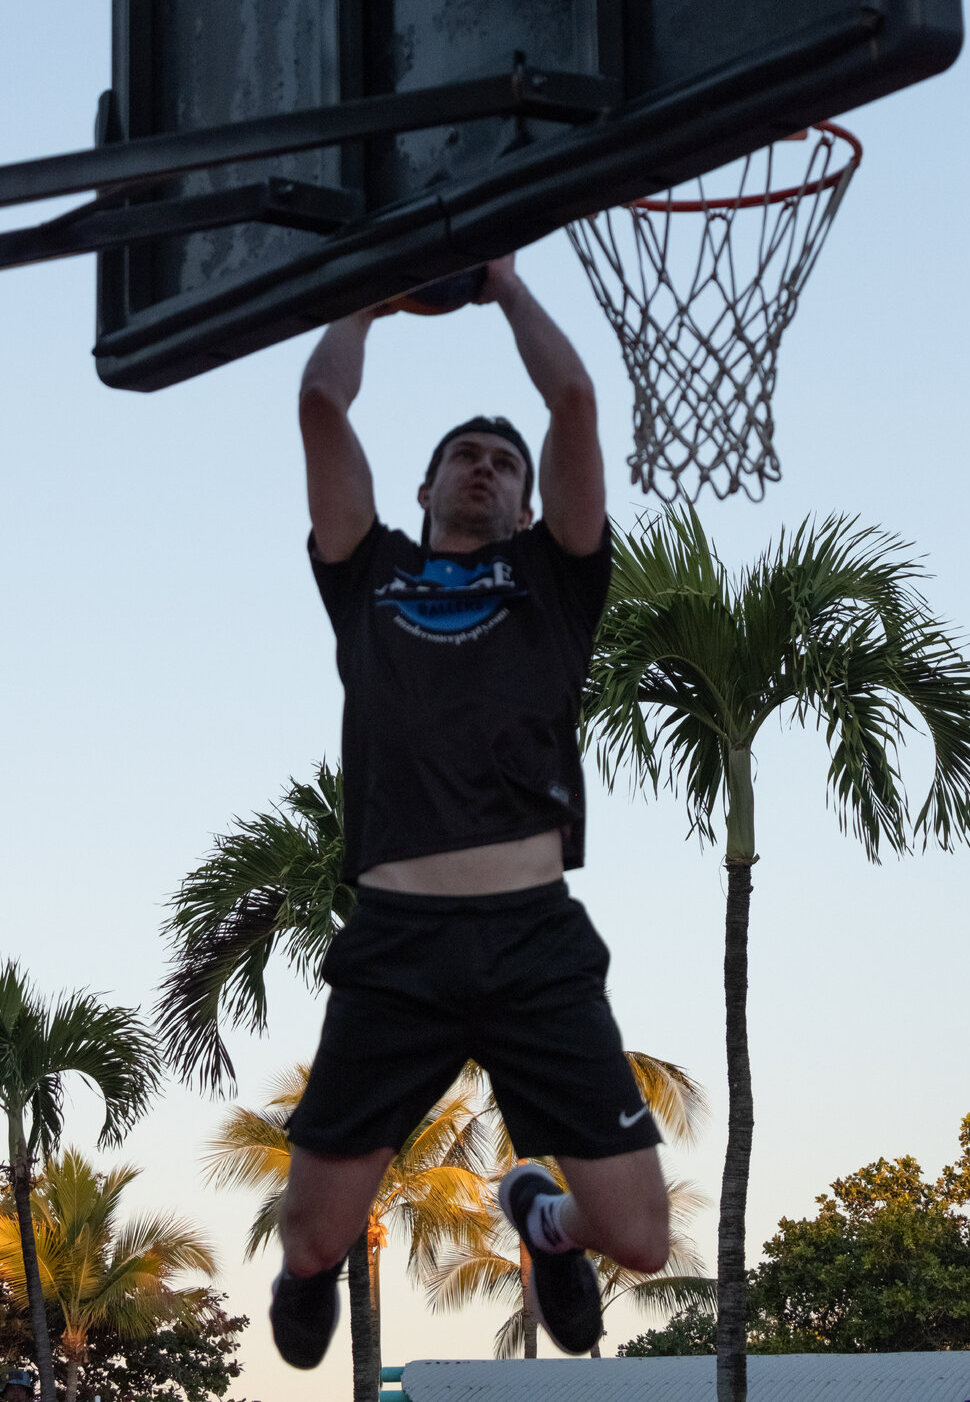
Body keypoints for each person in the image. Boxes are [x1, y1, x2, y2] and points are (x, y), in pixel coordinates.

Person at [270, 255, 671, 1367]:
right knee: (314, 1235)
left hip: (534, 940)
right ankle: (303, 1276)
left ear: (531, 500)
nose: (485, 470)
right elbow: (318, 404)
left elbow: (575, 402)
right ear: (426, 488)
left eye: (504, 463)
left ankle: (544, 1219)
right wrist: (368, 294)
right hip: (397, 947)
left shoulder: (555, 581)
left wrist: (499, 279)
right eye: (464, 457)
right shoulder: (368, 577)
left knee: (638, 1238)